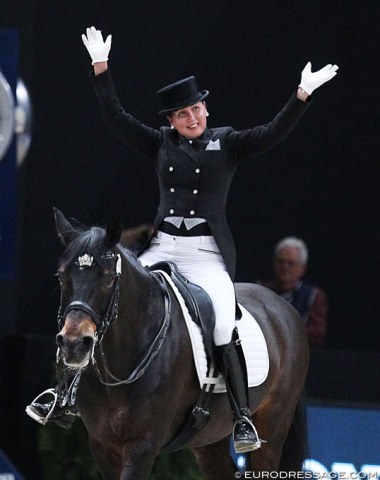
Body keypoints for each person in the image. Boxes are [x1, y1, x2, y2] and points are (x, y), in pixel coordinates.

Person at [26, 26, 338, 453]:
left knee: (225, 321)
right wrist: (101, 69)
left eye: (196, 109)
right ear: (171, 122)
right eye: (182, 115)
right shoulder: (159, 145)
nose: (192, 118)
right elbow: (116, 117)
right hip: (162, 249)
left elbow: (271, 133)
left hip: (206, 254)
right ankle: (65, 393)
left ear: (204, 108)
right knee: (106, 299)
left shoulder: (227, 143)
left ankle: (242, 415)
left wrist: (301, 95)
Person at [260, 237, 328, 348]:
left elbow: (317, 334)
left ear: (302, 269)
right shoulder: (261, 291)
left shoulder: (313, 297)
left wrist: (281, 332)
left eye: (290, 263)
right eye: (281, 262)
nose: (285, 267)